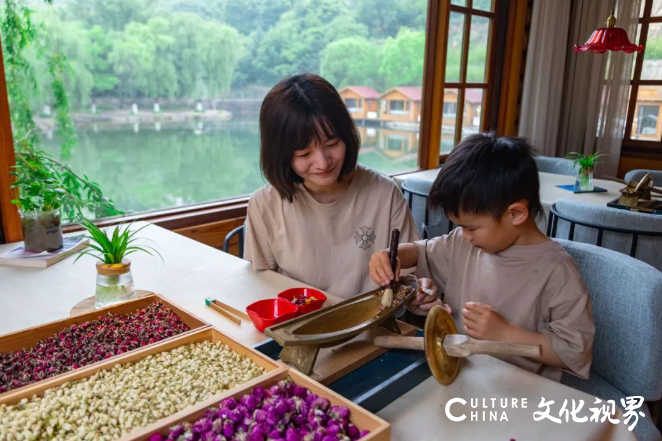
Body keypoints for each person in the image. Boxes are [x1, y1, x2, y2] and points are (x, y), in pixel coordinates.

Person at [369, 133, 595, 380]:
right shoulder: (464, 243)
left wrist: (505, 333)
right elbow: (420, 251)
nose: (464, 234)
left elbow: (575, 352)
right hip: (458, 375)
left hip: (519, 392)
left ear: (516, 214)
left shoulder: (557, 270)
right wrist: (391, 255)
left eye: (471, 227)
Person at [245, 73, 420, 300]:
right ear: (280, 154)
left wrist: (421, 294)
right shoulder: (264, 205)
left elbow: (412, 280)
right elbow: (260, 286)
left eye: (332, 144)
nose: (323, 162)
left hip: (369, 329)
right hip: (294, 328)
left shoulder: (384, 194)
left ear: (347, 137)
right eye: (305, 153)